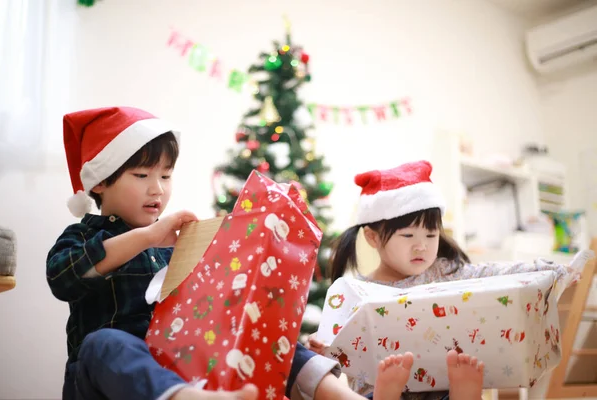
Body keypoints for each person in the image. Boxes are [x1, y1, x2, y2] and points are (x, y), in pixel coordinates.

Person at [46, 106, 407, 400]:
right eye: (142, 175)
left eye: (166, 176)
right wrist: (147, 237)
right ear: (100, 181)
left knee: (263, 332)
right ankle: (184, 397)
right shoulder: (82, 235)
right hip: (102, 380)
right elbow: (64, 275)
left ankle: (339, 395)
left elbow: (207, 304)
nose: (157, 189)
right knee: (104, 343)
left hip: (175, 358)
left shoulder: (174, 241)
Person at [307, 160, 584, 400]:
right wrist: (325, 349)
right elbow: (340, 355)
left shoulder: (444, 272)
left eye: (430, 236)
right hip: (377, 389)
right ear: (373, 237)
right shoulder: (357, 291)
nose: (422, 247)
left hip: (441, 390)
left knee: (458, 376)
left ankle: (463, 394)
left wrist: (548, 269)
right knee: (374, 384)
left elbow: (493, 273)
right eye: (408, 236)